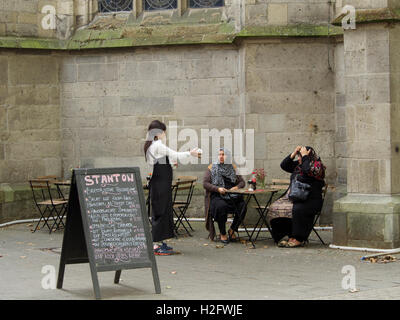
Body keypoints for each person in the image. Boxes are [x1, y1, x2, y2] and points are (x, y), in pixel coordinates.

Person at [144, 120, 201, 255]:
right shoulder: (157, 145)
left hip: (159, 183)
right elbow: (175, 154)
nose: (165, 134)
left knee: (161, 211)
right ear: (158, 133)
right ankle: (156, 245)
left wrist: (171, 164)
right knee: (161, 212)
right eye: (164, 131)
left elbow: (161, 163)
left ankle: (161, 242)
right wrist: (190, 153)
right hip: (160, 185)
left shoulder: (151, 146)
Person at [268, 145, 326, 248]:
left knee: (298, 209)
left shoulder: (317, 166)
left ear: (309, 156)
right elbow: (284, 165)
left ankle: (299, 238)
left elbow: (307, 170)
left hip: (311, 200)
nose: (299, 158)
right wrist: (294, 153)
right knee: (275, 207)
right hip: (296, 198)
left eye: (300, 156)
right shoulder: (298, 165)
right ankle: (286, 236)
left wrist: (305, 157)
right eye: (298, 156)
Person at [203, 148, 246, 244]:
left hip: (231, 196)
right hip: (217, 196)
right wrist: (218, 189)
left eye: (223, 154)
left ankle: (232, 230)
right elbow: (205, 183)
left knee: (242, 205)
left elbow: (242, 182)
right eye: (219, 154)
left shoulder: (232, 167)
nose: (221, 156)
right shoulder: (211, 168)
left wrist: (236, 187)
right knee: (221, 206)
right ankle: (223, 233)